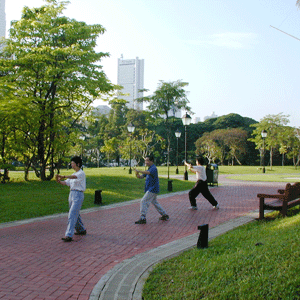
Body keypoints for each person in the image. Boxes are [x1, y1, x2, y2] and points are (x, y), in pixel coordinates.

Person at [56, 156, 87, 242]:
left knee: (72, 214)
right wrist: (59, 181)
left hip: (78, 194)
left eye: (72, 163)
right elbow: (66, 183)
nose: (71, 165)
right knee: (75, 214)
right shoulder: (73, 175)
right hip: (72, 194)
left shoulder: (81, 173)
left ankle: (69, 235)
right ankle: (81, 230)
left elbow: (74, 177)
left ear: (78, 164)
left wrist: (63, 176)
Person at [134, 155, 169, 224]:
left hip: (153, 189)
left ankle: (142, 217)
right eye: (145, 160)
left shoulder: (153, 168)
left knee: (143, 201)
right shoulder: (149, 168)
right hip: (151, 189)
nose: (146, 162)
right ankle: (164, 214)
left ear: (151, 161)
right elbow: (141, 177)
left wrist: (139, 170)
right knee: (155, 202)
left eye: (147, 160)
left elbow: (147, 173)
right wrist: (137, 174)